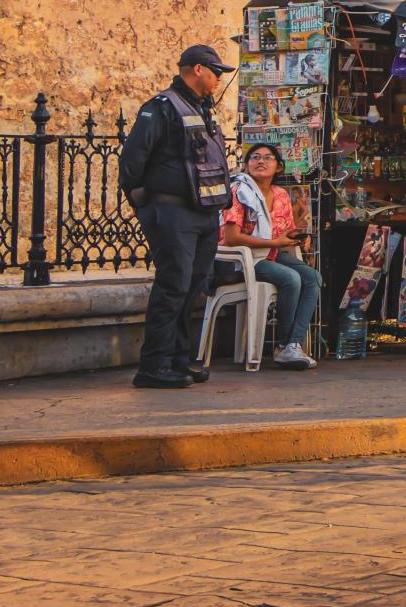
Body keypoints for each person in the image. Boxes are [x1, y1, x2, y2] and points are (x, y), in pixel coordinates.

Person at [118, 45, 237, 389]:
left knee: (193, 287)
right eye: (216, 72)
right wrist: (144, 203)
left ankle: (179, 359)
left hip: (202, 211)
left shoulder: (202, 109)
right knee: (173, 285)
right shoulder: (161, 107)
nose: (219, 79)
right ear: (197, 69)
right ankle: (154, 365)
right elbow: (133, 160)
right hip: (171, 210)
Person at [218, 143, 323, 369]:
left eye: (268, 158)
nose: (261, 162)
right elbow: (232, 237)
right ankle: (284, 344)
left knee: (312, 278)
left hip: (270, 254)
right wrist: (274, 242)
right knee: (290, 278)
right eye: (255, 157)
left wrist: (300, 237)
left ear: (278, 166)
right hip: (242, 258)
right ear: (246, 166)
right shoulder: (238, 192)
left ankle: (292, 344)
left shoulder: (281, 195)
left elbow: (285, 231)